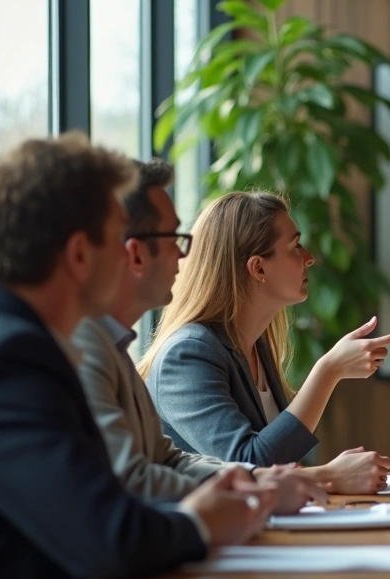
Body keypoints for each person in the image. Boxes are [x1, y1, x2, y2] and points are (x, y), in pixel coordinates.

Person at [0, 134, 276, 579]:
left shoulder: (42, 346)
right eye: (115, 239)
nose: (128, 256)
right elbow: (110, 533)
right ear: (82, 255)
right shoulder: (14, 360)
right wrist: (201, 523)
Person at [73, 159, 324, 510]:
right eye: (174, 238)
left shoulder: (113, 347)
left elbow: (169, 460)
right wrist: (328, 373)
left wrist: (271, 482)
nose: (184, 253)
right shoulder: (181, 352)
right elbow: (135, 481)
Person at [141, 191, 390, 493]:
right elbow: (248, 464)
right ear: (258, 268)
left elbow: (275, 465)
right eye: (295, 246)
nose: (309, 258)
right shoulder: (187, 354)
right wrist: (329, 371)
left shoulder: (256, 346)